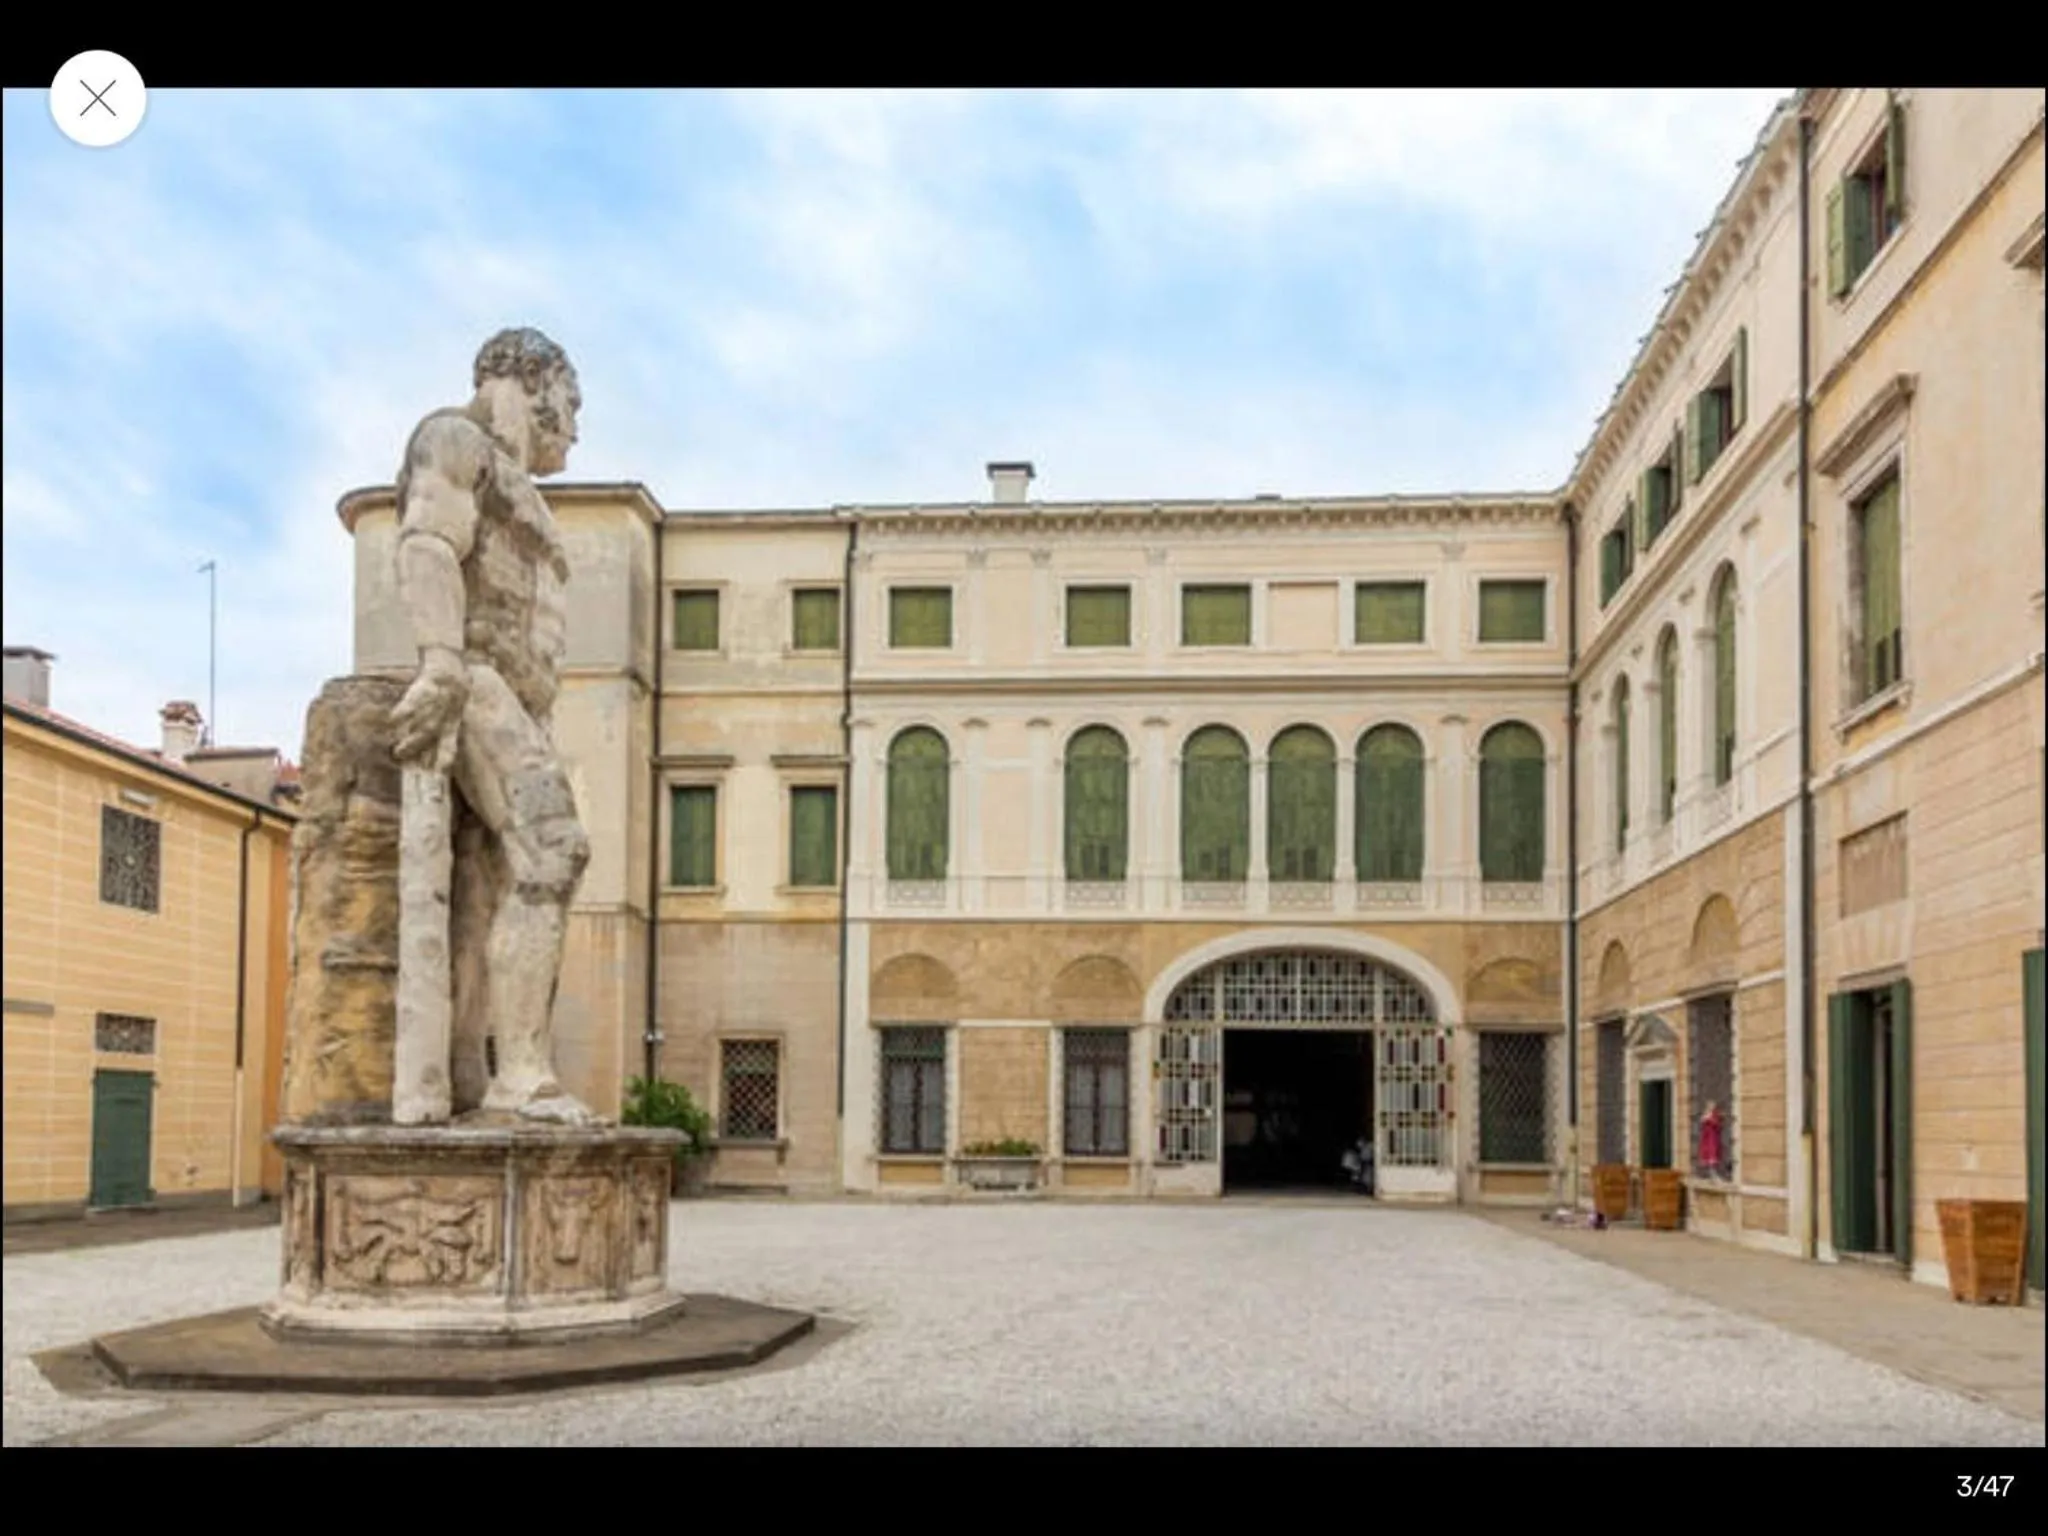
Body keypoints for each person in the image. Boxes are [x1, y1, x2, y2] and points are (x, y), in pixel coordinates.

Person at [387, 327, 596, 1125]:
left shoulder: (518, 483)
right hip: (477, 686)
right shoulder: (452, 440)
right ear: (534, 380)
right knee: (555, 848)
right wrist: (440, 661)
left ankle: (482, 1075)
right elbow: (430, 544)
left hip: (520, 704)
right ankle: (523, 1076)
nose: (575, 427)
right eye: (572, 404)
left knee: (493, 893)